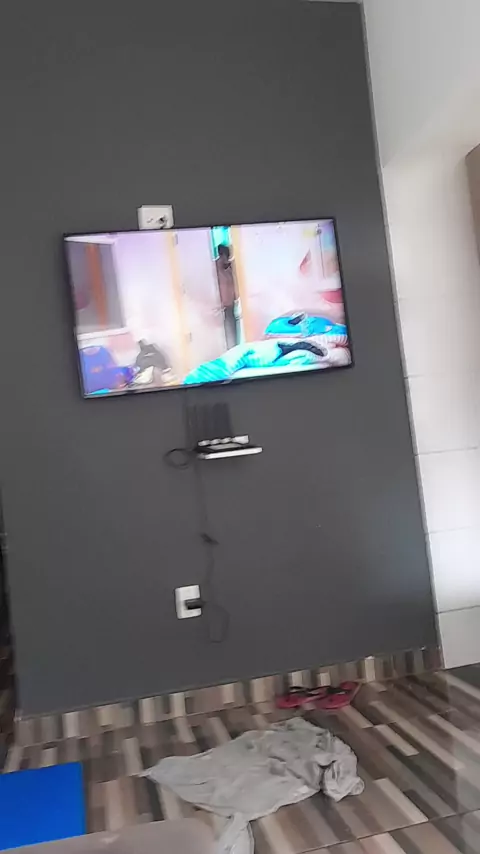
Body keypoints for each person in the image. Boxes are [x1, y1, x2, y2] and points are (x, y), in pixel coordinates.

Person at [215, 243, 238, 349]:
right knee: (226, 331)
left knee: (232, 330)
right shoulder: (216, 268)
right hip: (222, 305)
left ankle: (233, 347)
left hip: (230, 304)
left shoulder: (228, 267)